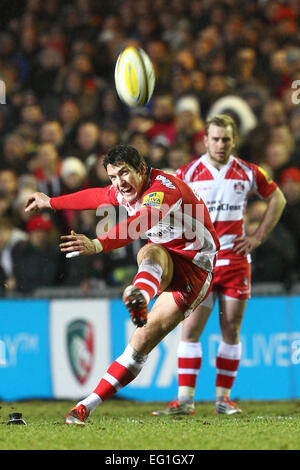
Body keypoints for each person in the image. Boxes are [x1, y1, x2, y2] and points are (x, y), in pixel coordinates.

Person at [24, 144, 219, 425]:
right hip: (166, 254)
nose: (119, 183)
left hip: (196, 267)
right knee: (149, 253)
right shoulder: (124, 189)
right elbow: (95, 196)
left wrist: (97, 243)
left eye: (124, 174)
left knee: (142, 342)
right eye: (113, 177)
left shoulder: (162, 189)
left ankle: (140, 293)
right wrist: (51, 202)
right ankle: (84, 407)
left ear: (141, 168)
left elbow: (140, 223)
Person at [152, 114, 286, 416]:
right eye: (215, 138)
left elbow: (277, 198)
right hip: (201, 261)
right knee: (190, 329)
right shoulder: (186, 173)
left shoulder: (248, 172)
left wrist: (258, 235)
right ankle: (184, 400)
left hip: (236, 260)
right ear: (205, 140)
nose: (221, 144)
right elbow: (164, 207)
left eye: (226, 139)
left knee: (231, 329)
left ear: (233, 140)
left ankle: (223, 400)